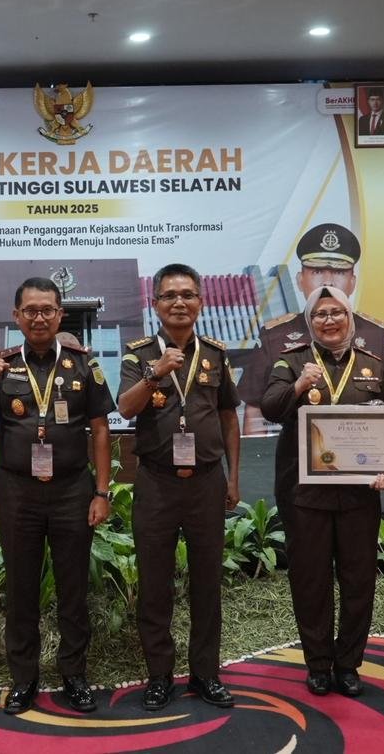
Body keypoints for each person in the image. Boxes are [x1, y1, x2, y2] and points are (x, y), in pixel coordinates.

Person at [0, 276, 115, 715]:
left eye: (47, 309)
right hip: (18, 492)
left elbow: (100, 430)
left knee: (73, 588)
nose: (39, 317)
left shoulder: (84, 365)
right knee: (21, 587)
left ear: (60, 314)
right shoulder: (2, 366)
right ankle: (24, 678)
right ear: (17, 316)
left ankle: (74, 676)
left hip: (72, 490)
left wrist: (101, 492)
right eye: (30, 310)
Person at [117, 263, 241, 711]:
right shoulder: (137, 354)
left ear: (201, 303)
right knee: (155, 584)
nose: (179, 303)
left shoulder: (216, 354)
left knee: (207, 583)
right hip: (157, 483)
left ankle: (206, 673)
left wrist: (234, 476)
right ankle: (159, 676)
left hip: (207, 482)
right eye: (169, 296)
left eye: (188, 295)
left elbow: (228, 417)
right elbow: (125, 408)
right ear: (155, 304)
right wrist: (155, 373)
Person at [261, 286, 384, 698]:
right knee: (311, 581)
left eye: (337, 312)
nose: (329, 320)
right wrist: (299, 385)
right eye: (320, 314)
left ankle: (349, 664)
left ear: (350, 317)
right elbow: (270, 407)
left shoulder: (372, 364)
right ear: (309, 321)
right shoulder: (291, 361)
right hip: (305, 493)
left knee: (359, 581)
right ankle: (318, 664)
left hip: (358, 494)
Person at [240, 222, 384, 434]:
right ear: (300, 280)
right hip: (298, 447)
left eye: (339, 272)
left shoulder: (375, 333)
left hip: (360, 446)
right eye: (317, 271)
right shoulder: (274, 335)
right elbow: (256, 412)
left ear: (353, 281)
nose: (327, 282)